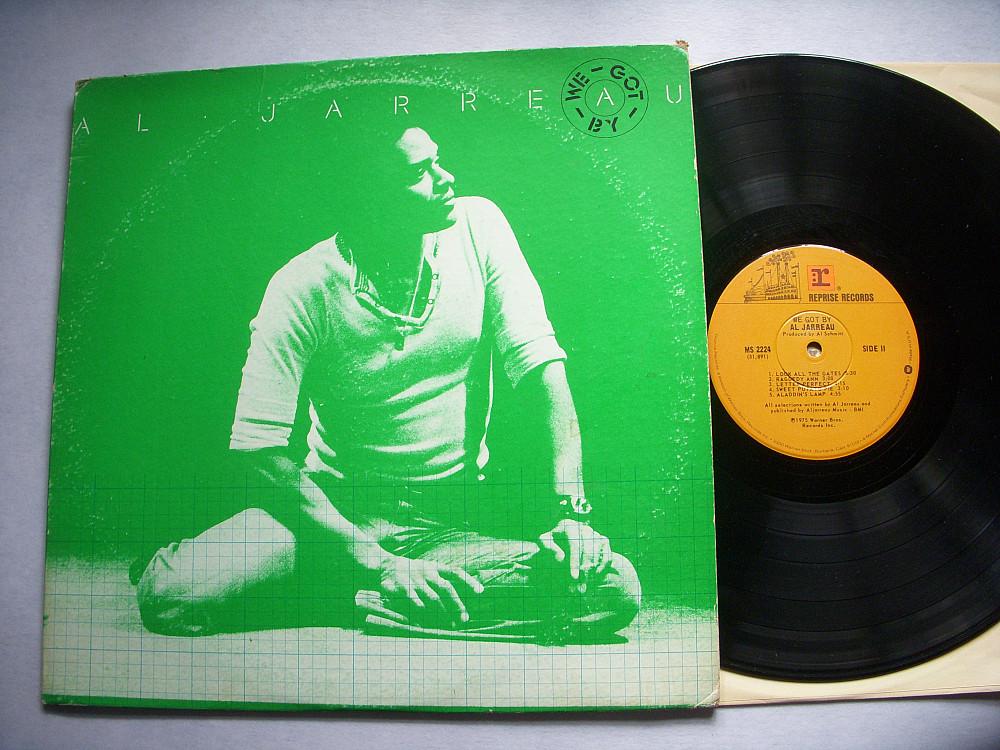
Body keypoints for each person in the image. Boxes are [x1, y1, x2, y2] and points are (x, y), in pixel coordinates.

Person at [135, 125, 640, 642]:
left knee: (612, 587)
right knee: (172, 596)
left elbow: (541, 370)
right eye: (419, 172)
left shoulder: (479, 227)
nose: (445, 178)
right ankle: (378, 590)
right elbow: (257, 447)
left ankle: (358, 595)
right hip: (330, 516)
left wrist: (571, 513)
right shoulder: (302, 285)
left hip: (443, 522)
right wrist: (376, 561)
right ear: (367, 196)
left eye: (437, 160)